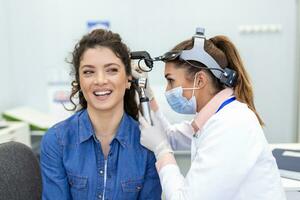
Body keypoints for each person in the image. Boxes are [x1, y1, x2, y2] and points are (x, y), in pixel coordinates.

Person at [136, 28, 286, 200]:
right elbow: (169, 136)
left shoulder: (232, 124)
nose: (167, 90)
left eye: (171, 81)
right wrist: (148, 95)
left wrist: (162, 150)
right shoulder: (214, 118)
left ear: (200, 80)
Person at [40, 29, 162, 200]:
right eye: (88, 72)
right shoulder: (57, 141)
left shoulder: (148, 144)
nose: (100, 80)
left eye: (111, 70)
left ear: (128, 79)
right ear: (79, 81)